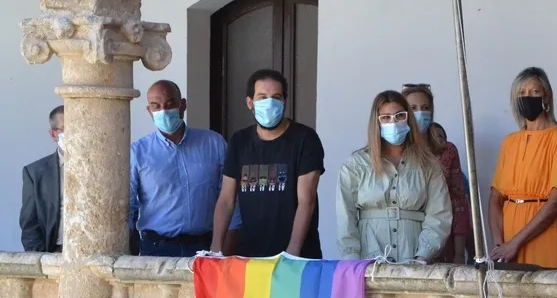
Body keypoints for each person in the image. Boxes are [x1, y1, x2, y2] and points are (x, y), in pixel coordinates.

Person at [211, 69, 324, 258]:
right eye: (262, 97)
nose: (269, 103)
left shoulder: (305, 139)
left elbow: (307, 201)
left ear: (284, 102)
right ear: (250, 103)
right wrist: (215, 250)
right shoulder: (239, 141)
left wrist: (292, 254)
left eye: (276, 97)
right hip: (250, 256)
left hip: (297, 258)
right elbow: (226, 200)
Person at [337, 90, 451, 262]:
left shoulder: (428, 164)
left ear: (408, 118)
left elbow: (439, 214)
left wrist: (422, 256)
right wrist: (352, 259)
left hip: (413, 256)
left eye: (399, 116)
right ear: (376, 123)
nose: (393, 122)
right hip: (368, 259)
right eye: (386, 118)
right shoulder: (356, 164)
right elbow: (345, 216)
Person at [130, 80, 239, 257]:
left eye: (170, 103)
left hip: (207, 245)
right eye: (156, 106)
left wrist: (225, 248)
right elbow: (128, 206)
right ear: (149, 111)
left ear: (183, 105)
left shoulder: (213, 143)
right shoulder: (138, 152)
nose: (163, 111)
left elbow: (230, 197)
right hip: (157, 248)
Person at [489, 67, 557, 269]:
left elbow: (556, 201)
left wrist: (516, 243)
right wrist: (499, 243)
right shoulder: (509, 142)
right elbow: (496, 198)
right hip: (507, 238)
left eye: (534, 92)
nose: (527, 97)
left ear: (546, 97)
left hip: (543, 235)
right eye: (521, 93)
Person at [402, 83, 471, 264]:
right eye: (413, 108)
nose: (420, 113)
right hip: (404, 241)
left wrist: (458, 253)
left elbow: (459, 201)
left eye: (425, 108)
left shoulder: (447, 151)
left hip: (443, 240)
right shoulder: (398, 152)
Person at [20, 105, 65, 253]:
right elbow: (30, 225)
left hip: (94, 254)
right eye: (66, 129)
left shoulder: (103, 169)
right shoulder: (35, 173)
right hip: (56, 252)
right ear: (54, 134)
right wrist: (42, 260)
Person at [431, 121, 475, 263]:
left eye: (441, 137)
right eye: (432, 137)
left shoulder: (457, 181)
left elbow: (462, 213)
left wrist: (460, 255)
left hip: (451, 242)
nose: (437, 140)